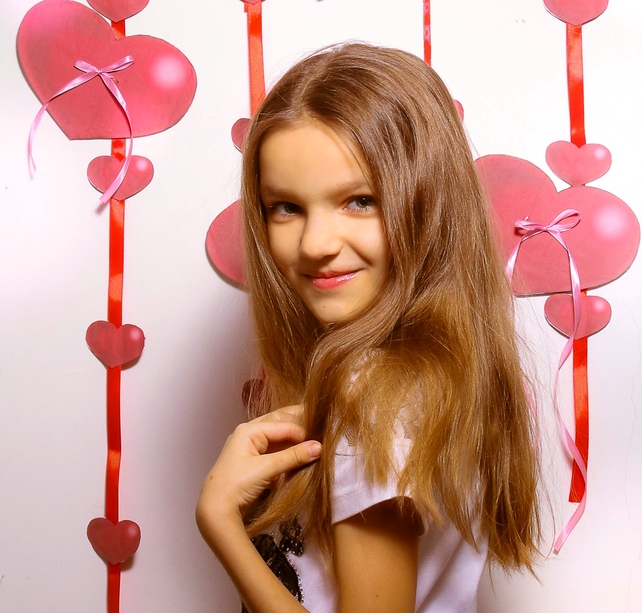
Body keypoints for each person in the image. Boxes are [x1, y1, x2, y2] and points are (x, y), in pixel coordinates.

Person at [196, 43, 541, 613]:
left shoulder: (375, 395)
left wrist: (220, 523)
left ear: (428, 204)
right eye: (285, 207)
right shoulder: (423, 376)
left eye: (359, 201)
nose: (315, 244)